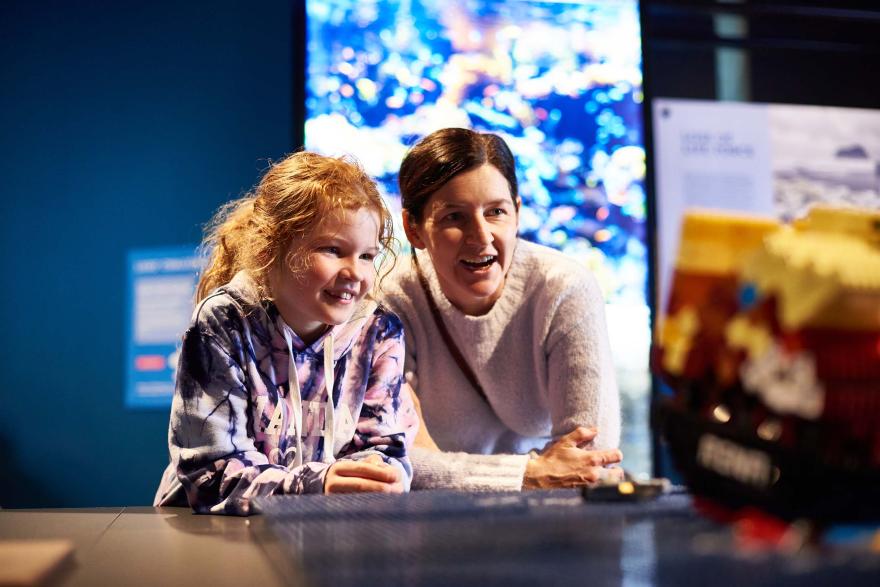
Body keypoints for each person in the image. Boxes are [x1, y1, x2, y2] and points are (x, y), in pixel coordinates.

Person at [154, 151, 418, 515]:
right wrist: (316, 484)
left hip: (322, 532)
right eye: (333, 250)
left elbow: (384, 450)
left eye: (367, 256)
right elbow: (210, 474)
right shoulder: (225, 322)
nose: (355, 273)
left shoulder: (378, 332)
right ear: (272, 247)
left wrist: (376, 477)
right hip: (209, 531)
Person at [378, 127, 623, 491]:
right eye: (454, 217)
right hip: (435, 523)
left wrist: (451, 471)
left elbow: (590, 461)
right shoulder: (392, 298)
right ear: (413, 230)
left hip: (552, 521)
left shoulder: (564, 288)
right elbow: (394, 459)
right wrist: (526, 475)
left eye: (496, 212)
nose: (481, 237)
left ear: (518, 213)